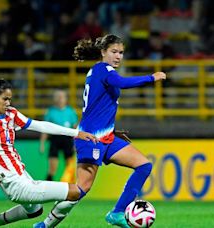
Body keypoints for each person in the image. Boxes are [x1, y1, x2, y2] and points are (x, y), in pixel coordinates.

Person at [34, 34, 166, 228]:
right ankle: (46, 223)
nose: (118, 56)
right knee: (81, 189)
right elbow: (122, 83)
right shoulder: (103, 69)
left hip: (107, 137)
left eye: (121, 52)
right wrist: (151, 77)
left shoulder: (100, 71)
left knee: (144, 165)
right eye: (114, 52)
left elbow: (100, 107)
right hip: (91, 139)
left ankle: (117, 212)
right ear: (103, 52)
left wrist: (112, 130)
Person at [0, 79, 98, 228]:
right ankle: (44, 226)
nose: (8, 103)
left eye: (10, 99)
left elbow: (40, 125)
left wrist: (76, 133)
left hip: (22, 175)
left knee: (34, 210)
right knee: (75, 192)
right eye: (4, 99)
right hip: (13, 183)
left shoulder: (11, 114)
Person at [40, 89, 78, 181]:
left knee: (70, 166)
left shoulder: (71, 111)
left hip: (67, 139)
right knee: (53, 167)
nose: (60, 99)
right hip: (55, 139)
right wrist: (42, 144)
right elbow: (45, 129)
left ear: (65, 98)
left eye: (62, 96)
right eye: (58, 96)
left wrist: (76, 143)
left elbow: (76, 129)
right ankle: (47, 188)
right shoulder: (50, 111)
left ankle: (70, 189)